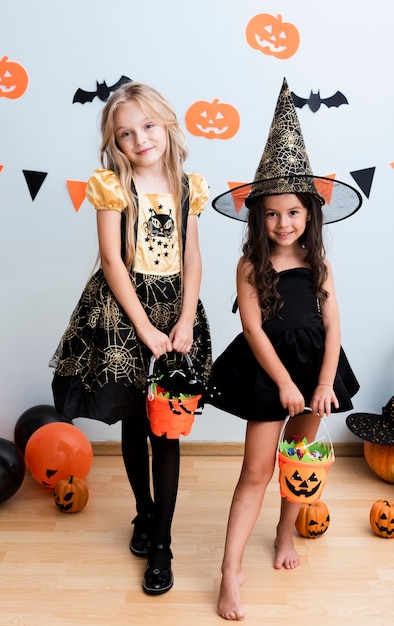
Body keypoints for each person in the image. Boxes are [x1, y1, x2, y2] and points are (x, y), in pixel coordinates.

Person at [49, 81, 212, 595]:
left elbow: (191, 256)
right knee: (136, 418)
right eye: (126, 134)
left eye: (147, 126)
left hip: (174, 308)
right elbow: (112, 259)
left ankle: (160, 541)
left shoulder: (189, 185)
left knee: (167, 424)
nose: (140, 139)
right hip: (125, 313)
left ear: (166, 123)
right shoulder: (111, 185)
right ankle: (143, 513)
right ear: (115, 143)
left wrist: (184, 321)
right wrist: (144, 327)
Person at [208, 78, 361, 620]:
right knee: (257, 470)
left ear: (310, 215)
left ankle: (284, 533)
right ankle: (230, 571)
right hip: (269, 373)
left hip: (315, 372)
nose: (283, 223)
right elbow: (252, 329)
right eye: (272, 214)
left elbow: (334, 324)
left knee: (298, 460)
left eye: (293, 213)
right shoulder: (251, 265)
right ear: (258, 217)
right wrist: (285, 384)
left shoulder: (319, 265)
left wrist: (322, 383)